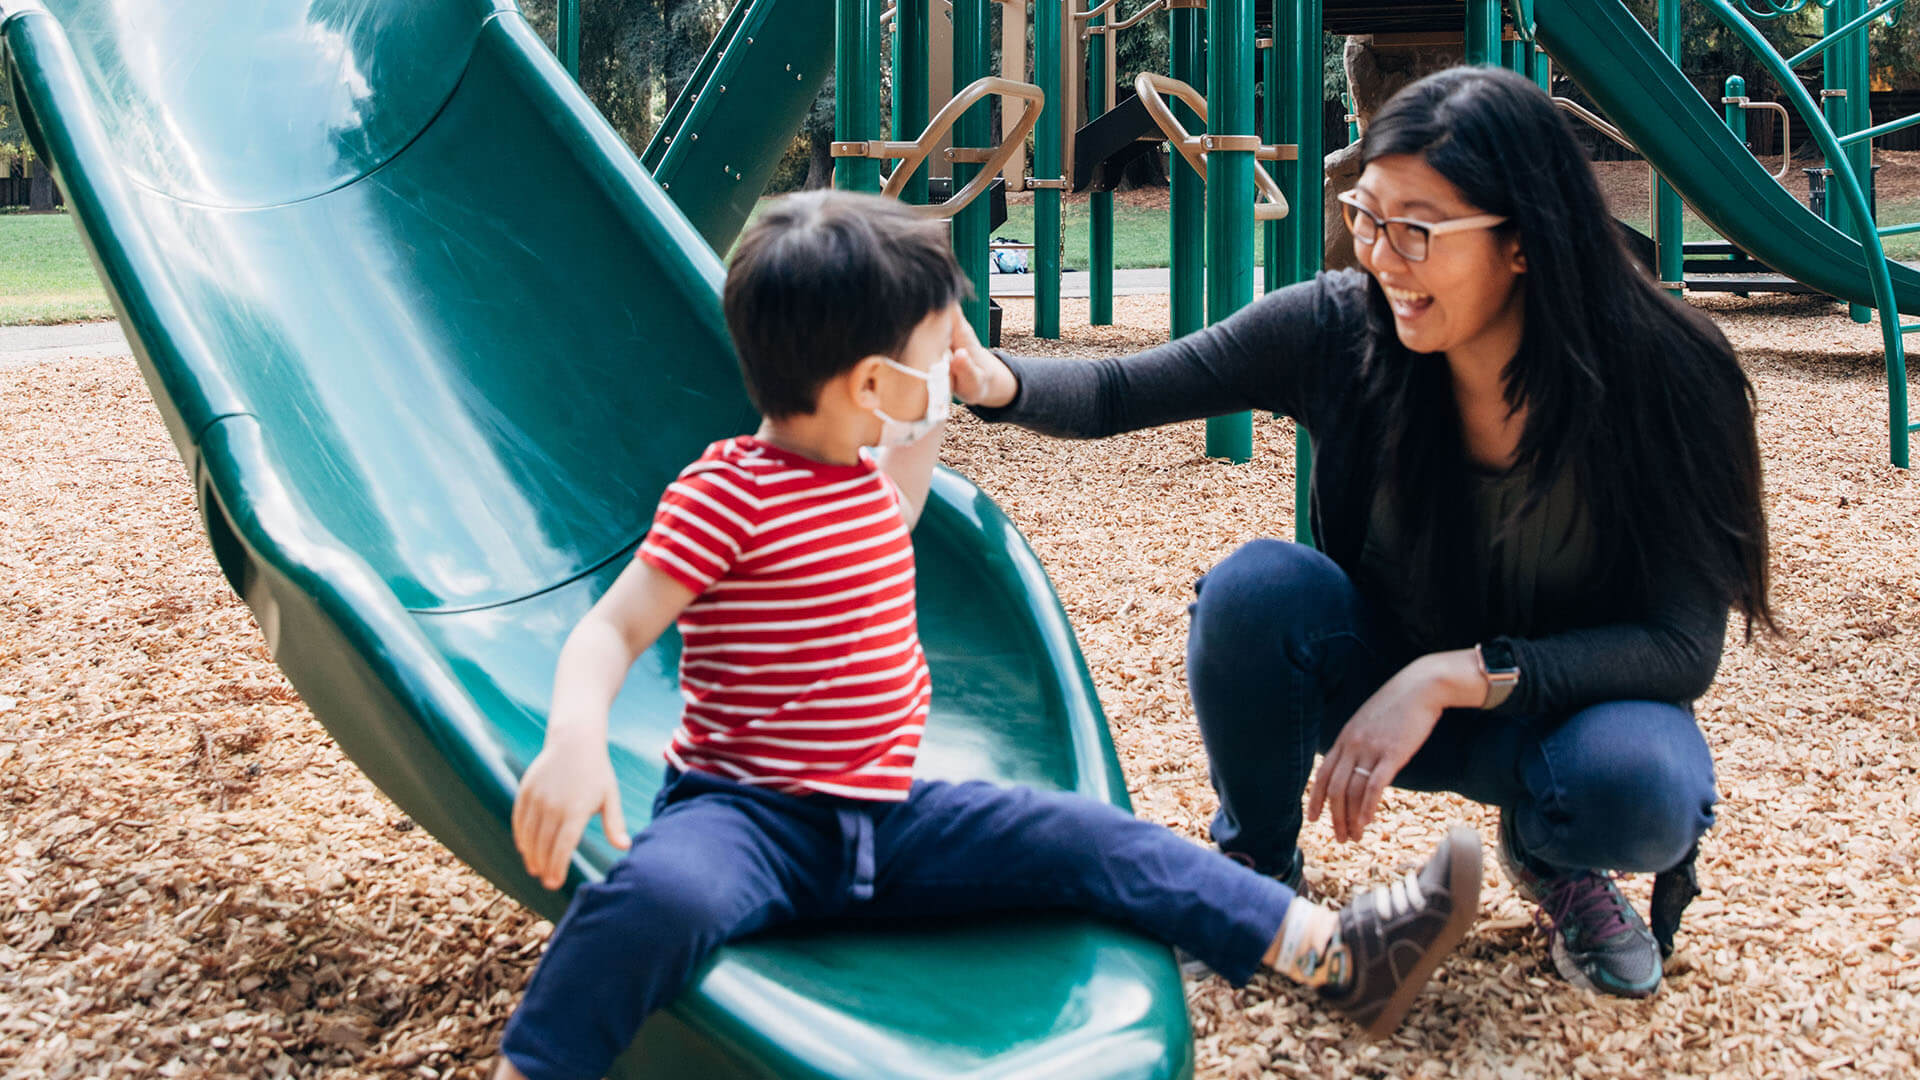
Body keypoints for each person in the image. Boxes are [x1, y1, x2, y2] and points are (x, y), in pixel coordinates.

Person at [490, 191, 1484, 1080]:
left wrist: (957, 364)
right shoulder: (726, 494)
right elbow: (610, 631)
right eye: (939, 349)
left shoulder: (868, 484)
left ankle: (1343, 955)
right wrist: (576, 733)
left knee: (1099, 842)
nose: (958, 358)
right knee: (654, 896)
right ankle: (539, 1063)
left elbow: (913, 446)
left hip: (889, 820)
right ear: (874, 385)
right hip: (742, 818)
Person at [951, 67, 1775, 1001]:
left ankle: (1555, 856)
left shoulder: (1667, 376)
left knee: (1643, 789)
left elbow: (1678, 647)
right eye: (1367, 216)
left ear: (1524, 243)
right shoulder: (1344, 329)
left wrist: (1451, 676)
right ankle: (1256, 872)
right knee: (1257, 593)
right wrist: (992, 380)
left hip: (1548, 713)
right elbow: (1119, 391)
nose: (1379, 255)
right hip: (1370, 677)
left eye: (1415, 229)